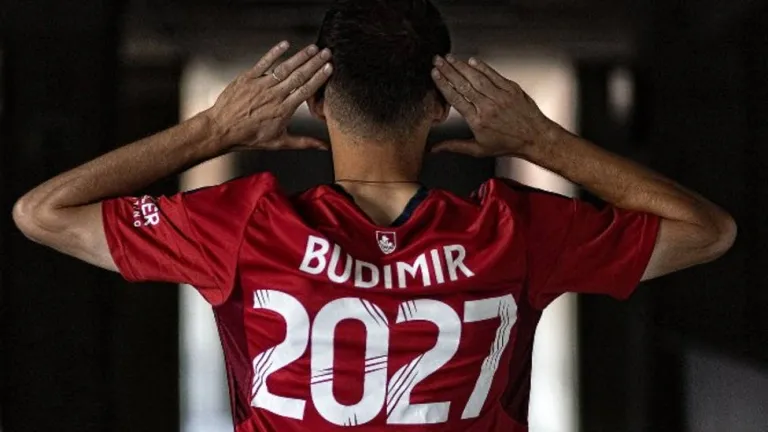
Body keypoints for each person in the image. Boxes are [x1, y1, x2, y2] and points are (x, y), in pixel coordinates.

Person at [12, 0, 735, 431]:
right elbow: (707, 232)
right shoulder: (512, 232)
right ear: (441, 106)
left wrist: (213, 130)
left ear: (315, 103)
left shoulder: (243, 227)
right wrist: (541, 140)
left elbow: (43, 212)